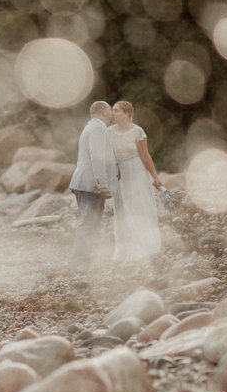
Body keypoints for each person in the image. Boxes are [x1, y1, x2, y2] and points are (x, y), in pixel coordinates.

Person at [107, 100, 162, 262]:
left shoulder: (137, 131)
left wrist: (155, 177)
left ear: (127, 114)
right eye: (112, 110)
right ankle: (125, 249)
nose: (113, 113)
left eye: (116, 110)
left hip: (137, 172)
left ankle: (145, 245)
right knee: (123, 209)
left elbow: (145, 156)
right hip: (120, 175)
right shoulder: (109, 132)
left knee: (139, 207)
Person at [68, 100, 118, 268]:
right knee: (88, 223)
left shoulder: (94, 126)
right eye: (110, 110)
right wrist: (102, 184)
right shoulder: (97, 128)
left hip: (86, 183)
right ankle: (78, 261)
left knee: (91, 223)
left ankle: (85, 259)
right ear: (104, 111)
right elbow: (97, 157)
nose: (112, 113)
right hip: (90, 184)